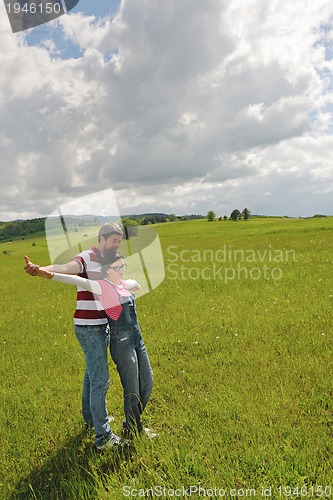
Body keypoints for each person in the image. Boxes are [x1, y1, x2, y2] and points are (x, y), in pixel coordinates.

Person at [24, 252, 155, 440]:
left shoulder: (125, 283)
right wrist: (41, 271)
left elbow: (132, 283)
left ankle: (130, 422)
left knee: (147, 382)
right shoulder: (98, 286)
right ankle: (133, 427)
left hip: (138, 339)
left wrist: (135, 282)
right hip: (122, 343)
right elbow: (66, 277)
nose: (120, 270)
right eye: (115, 268)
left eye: (122, 266)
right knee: (130, 387)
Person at [24, 222, 128, 450]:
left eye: (119, 241)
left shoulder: (109, 260)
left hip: (100, 325)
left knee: (91, 375)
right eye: (113, 241)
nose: (116, 245)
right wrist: (40, 269)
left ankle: (92, 419)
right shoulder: (87, 257)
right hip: (90, 327)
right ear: (102, 239)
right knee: (100, 380)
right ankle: (103, 437)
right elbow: (65, 267)